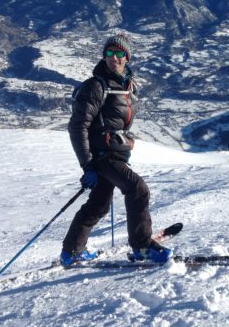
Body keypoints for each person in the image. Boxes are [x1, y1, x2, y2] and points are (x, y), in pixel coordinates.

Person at [60, 33, 173, 266]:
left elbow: (118, 122)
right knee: (137, 189)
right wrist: (87, 164)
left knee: (98, 205)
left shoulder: (128, 87)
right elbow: (78, 125)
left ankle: (71, 252)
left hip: (113, 153)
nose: (114, 57)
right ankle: (142, 246)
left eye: (119, 53)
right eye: (109, 53)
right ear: (104, 56)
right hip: (102, 157)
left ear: (127, 58)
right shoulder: (96, 86)